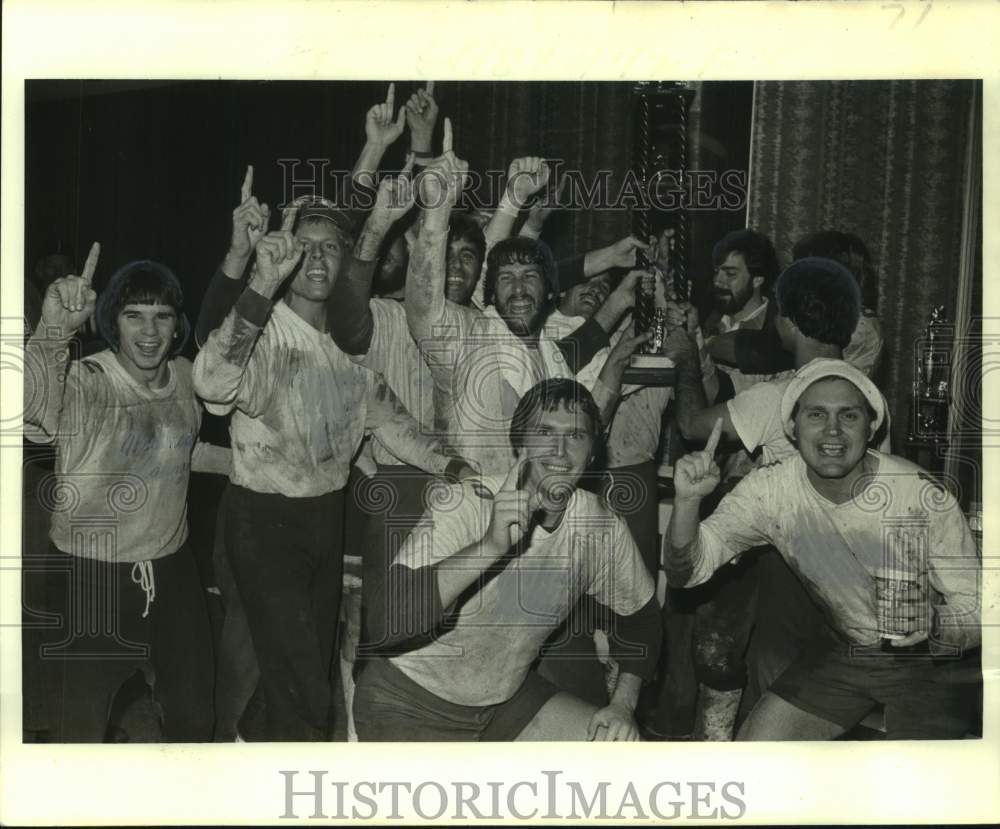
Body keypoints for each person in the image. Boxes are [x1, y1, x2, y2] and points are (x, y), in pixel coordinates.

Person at [192, 201, 474, 741]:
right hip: (263, 523)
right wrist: (258, 285)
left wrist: (454, 464)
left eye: (330, 247)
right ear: (286, 256)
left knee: (305, 671)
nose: (317, 258)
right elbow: (211, 383)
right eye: (305, 246)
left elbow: (395, 424)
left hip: (325, 520)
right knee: (303, 688)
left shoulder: (351, 354)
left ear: (346, 262)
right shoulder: (264, 330)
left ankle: (252, 748)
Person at [664, 361, 981, 740]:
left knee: (906, 791)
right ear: (793, 429)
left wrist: (933, 623)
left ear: (870, 428)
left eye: (849, 415)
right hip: (845, 652)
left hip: (930, 665)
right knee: (755, 755)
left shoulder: (921, 495)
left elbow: (982, 610)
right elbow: (686, 572)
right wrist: (686, 504)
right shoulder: (770, 491)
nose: (833, 430)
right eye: (816, 414)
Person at [354, 378, 661, 741]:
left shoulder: (599, 524)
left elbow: (643, 620)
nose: (560, 451)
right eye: (544, 432)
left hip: (505, 705)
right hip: (406, 702)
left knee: (616, 748)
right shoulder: (466, 503)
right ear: (519, 444)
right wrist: (490, 546)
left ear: (593, 451)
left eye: (576, 435)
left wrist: (623, 705)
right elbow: (386, 624)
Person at [23, 245, 223, 742]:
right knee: (82, 727)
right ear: (113, 320)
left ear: (178, 324)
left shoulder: (182, 376)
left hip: (172, 569)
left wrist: (253, 466)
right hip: (93, 572)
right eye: (134, 316)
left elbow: (179, 451)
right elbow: (37, 424)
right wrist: (52, 332)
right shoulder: (90, 382)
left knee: (195, 717)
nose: (150, 332)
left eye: (162, 316)